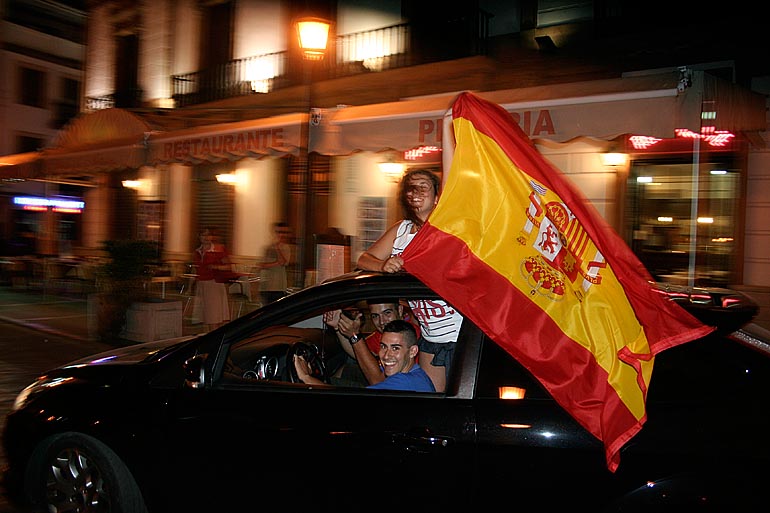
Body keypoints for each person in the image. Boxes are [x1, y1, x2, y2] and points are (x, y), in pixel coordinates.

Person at [356, 169, 464, 393]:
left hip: (461, 335)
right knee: (429, 402)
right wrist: (383, 266)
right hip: (429, 336)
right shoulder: (401, 230)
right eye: (411, 187)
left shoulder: (446, 229)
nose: (416, 192)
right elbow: (364, 259)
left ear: (437, 198)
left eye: (424, 186)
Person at [294, 320, 435, 392]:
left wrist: (306, 377)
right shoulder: (414, 374)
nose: (386, 355)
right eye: (383, 346)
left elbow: (351, 402)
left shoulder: (404, 382)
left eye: (395, 348)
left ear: (413, 351)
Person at [323, 298, 421, 386]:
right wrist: (337, 327)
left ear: (400, 310)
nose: (382, 321)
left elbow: (378, 381)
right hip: (386, 379)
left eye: (387, 313)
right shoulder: (382, 333)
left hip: (397, 387)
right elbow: (360, 353)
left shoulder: (409, 334)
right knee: (346, 369)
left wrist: (308, 378)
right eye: (375, 316)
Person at [193, 227, 231, 331]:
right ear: (199, 237)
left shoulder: (219, 249)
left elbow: (228, 266)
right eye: (203, 235)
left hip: (214, 284)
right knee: (207, 316)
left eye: (208, 235)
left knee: (214, 316)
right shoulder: (197, 251)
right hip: (202, 284)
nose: (206, 238)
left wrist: (216, 267)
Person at [258, 221, 293, 304]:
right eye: (279, 232)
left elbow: (283, 262)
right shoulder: (268, 248)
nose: (282, 235)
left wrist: (277, 248)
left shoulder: (286, 248)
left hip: (278, 287)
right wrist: (275, 263)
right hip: (266, 287)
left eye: (285, 233)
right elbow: (261, 265)